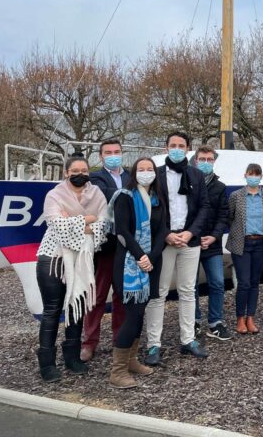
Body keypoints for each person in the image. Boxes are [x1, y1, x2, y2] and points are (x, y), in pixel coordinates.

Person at [36, 155, 107, 382]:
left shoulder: (97, 194)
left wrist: (75, 221)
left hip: (83, 260)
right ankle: (46, 362)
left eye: (84, 170)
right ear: (66, 173)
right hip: (53, 258)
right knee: (53, 310)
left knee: (77, 308)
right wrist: (87, 220)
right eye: (75, 170)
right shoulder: (54, 195)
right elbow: (56, 225)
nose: (80, 174)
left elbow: (103, 227)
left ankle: (72, 357)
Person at [144, 132, 210, 365]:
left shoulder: (197, 175)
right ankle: (153, 344)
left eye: (181, 146)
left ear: (188, 149)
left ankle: (188, 339)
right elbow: (150, 209)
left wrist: (191, 232)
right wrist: (166, 234)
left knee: (188, 291)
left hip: (189, 241)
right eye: (172, 145)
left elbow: (204, 207)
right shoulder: (156, 176)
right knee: (158, 292)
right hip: (164, 242)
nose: (176, 149)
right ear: (165, 148)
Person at [106, 157, 168, 389]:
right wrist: (141, 256)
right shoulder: (124, 196)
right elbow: (121, 231)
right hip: (129, 264)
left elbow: (164, 229)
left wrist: (151, 257)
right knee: (131, 317)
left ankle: (131, 361)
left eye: (149, 169)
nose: (146, 172)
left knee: (140, 314)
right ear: (134, 173)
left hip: (152, 263)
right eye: (141, 169)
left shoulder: (158, 198)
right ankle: (117, 371)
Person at [81, 139, 130, 362]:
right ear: (101, 156)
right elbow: (103, 195)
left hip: (128, 246)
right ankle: (89, 342)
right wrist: (128, 194)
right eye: (108, 152)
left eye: (117, 152)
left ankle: (119, 341)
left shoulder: (130, 176)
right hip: (105, 247)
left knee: (122, 296)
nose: (113, 155)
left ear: (122, 153)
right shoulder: (96, 178)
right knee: (98, 295)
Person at [226, 163, 263, 335]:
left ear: (261, 176)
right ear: (245, 175)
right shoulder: (236, 196)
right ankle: (240, 318)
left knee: (254, 282)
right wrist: (238, 232)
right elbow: (229, 217)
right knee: (243, 283)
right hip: (241, 243)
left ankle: (250, 317)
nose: (254, 177)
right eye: (250, 174)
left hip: (260, 243)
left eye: (257, 174)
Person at [192, 146, 231, 342]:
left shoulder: (220, 187)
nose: (206, 162)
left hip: (213, 245)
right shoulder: (188, 183)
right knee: (191, 285)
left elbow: (223, 215)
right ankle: (194, 321)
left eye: (209, 159)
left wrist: (214, 236)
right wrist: (194, 236)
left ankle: (215, 322)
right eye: (202, 159)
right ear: (195, 161)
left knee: (217, 282)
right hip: (191, 243)